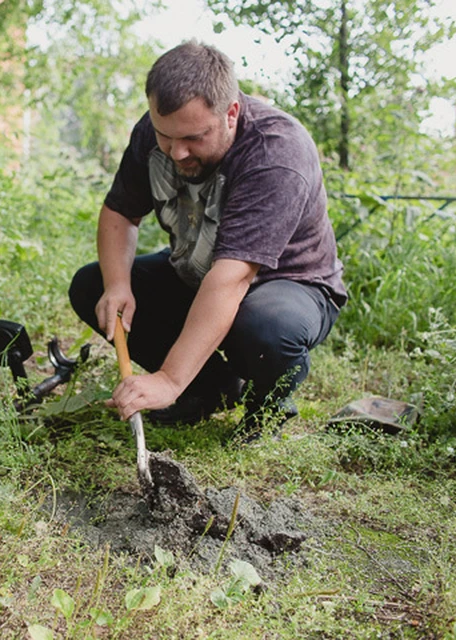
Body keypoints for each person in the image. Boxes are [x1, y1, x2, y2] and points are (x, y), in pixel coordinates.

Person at [68, 41, 347, 440]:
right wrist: (117, 285)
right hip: (200, 270)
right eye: (166, 136)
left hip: (287, 285)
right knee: (91, 286)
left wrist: (168, 379)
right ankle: (210, 389)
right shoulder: (156, 131)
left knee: (264, 328)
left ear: (231, 113)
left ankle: (267, 406)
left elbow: (232, 279)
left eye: (194, 138)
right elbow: (120, 213)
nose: (177, 152)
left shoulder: (276, 151)